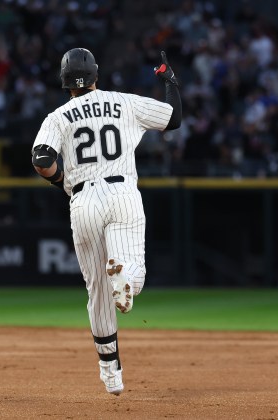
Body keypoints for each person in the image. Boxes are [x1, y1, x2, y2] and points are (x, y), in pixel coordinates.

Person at [30, 48, 181, 395]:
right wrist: (170, 81)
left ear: (65, 83)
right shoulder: (122, 102)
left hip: (82, 199)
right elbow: (173, 119)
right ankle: (126, 280)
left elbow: (42, 159)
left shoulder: (57, 117)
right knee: (133, 275)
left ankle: (111, 374)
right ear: (96, 75)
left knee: (97, 292)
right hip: (122, 191)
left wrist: (60, 182)